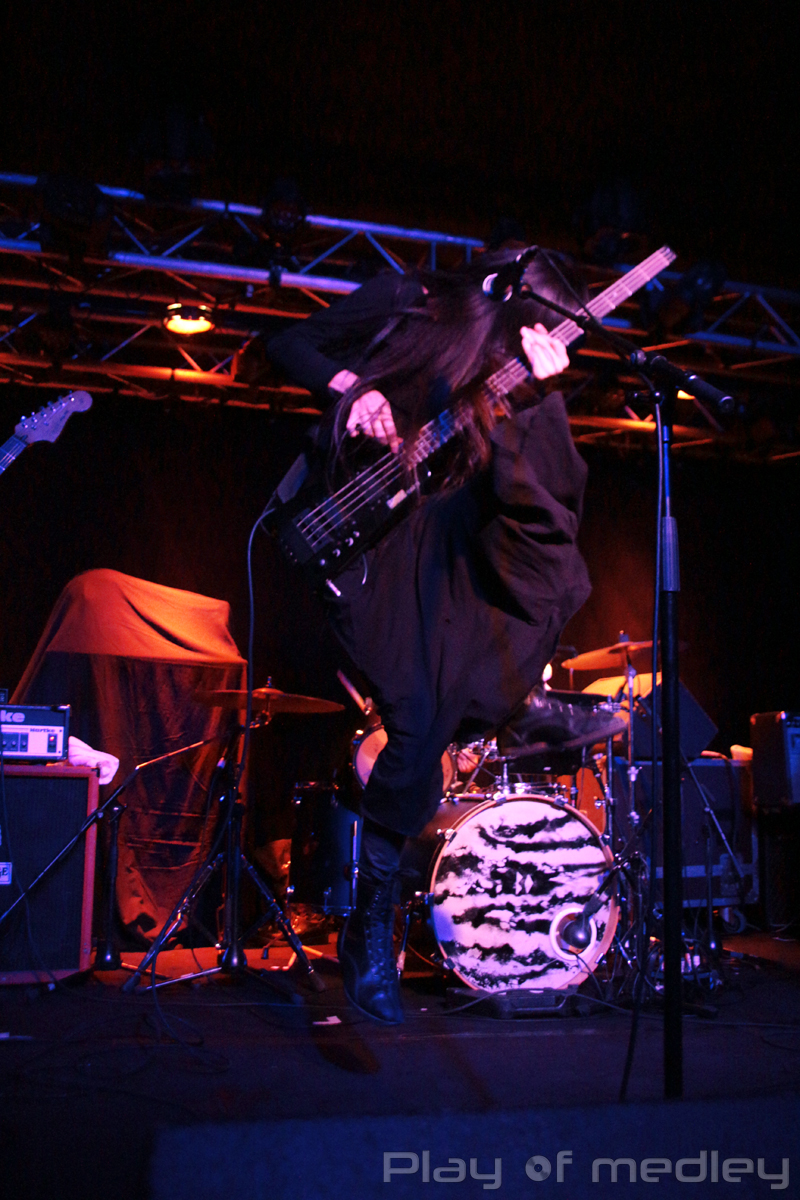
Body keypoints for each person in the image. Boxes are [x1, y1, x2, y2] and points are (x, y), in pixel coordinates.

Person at [267, 250, 623, 1023]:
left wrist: (541, 398)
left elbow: (537, 488)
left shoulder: (504, 376)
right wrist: (353, 388)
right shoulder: (412, 300)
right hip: (369, 536)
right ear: (499, 303)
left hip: (447, 534)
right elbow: (286, 343)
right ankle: (372, 916)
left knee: (554, 562)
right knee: (419, 720)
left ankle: (510, 699)